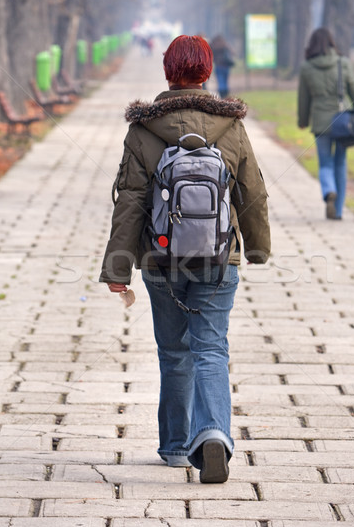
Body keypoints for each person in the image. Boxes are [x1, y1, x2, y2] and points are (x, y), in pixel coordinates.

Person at [99, 35, 270, 483]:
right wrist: (256, 248)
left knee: (174, 353)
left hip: (160, 260)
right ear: (207, 73)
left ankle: (177, 447)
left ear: (167, 73)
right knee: (211, 349)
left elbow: (130, 202)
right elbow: (252, 192)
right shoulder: (230, 127)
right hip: (218, 261)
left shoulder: (143, 130)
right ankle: (213, 433)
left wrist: (117, 269)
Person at [298, 27, 354, 220]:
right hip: (342, 122)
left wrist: (303, 120)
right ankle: (339, 210)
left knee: (325, 163)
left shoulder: (307, 67)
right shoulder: (343, 63)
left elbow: (304, 98)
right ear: (332, 42)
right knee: (340, 163)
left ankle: (329, 191)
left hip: (320, 122)